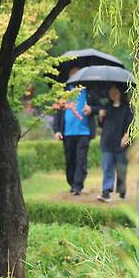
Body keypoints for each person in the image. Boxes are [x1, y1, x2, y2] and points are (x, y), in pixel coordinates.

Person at [53, 67, 100, 195]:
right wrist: (57, 130)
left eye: (78, 73)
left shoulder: (88, 91)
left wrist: (91, 109)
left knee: (81, 159)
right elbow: (57, 113)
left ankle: (78, 186)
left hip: (84, 132)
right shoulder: (64, 93)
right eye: (72, 73)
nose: (75, 76)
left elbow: (98, 106)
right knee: (70, 160)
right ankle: (72, 183)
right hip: (67, 132)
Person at [97, 85, 134, 202]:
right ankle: (106, 192)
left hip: (121, 144)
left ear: (120, 92)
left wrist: (127, 136)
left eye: (115, 91)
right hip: (107, 142)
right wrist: (100, 117)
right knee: (107, 167)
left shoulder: (127, 108)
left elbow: (132, 125)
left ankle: (122, 190)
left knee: (121, 168)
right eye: (111, 91)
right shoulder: (106, 107)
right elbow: (102, 125)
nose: (112, 93)